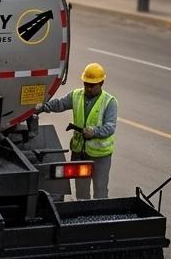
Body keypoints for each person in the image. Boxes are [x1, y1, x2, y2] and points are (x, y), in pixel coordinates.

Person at [35, 62, 116, 199]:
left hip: (100, 156)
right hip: (79, 153)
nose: (88, 88)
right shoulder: (76, 95)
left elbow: (110, 127)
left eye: (92, 85)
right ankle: (84, 214)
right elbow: (60, 104)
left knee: (100, 189)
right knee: (81, 190)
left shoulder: (109, 102)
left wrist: (94, 132)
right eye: (86, 84)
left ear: (101, 83)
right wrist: (43, 107)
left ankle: (98, 216)